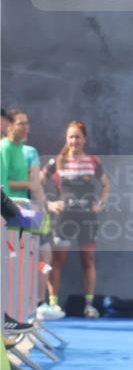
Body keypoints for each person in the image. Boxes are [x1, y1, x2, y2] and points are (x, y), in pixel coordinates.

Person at [46, 121, 110, 319]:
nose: (74, 141)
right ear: (67, 139)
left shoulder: (93, 162)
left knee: (88, 260)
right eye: (71, 137)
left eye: (78, 137)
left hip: (87, 218)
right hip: (64, 218)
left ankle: (89, 305)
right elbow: (37, 184)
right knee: (57, 260)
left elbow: (106, 184)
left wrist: (101, 203)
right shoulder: (57, 162)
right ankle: (53, 304)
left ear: (84, 139)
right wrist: (49, 204)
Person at [6, 110, 64, 320]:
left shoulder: (30, 151)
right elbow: (18, 183)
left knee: (44, 254)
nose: (27, 127)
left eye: (28, 123)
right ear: (9, 126)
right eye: (22, 123)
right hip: (11, 213)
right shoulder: (5, 149)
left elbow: (36, 186)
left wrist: (45, 205)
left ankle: (37, 304)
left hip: (28, 212)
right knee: (15, 261)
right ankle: (17, 310)